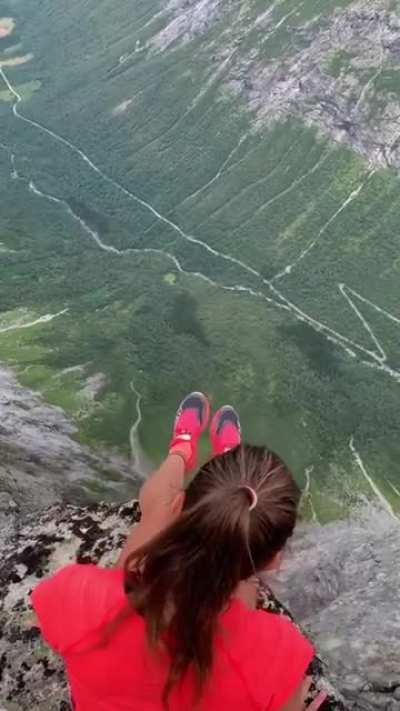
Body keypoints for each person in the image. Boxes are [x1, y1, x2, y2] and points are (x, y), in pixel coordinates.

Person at [31, 392, 326, 711]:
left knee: (137, 553)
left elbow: (51, 611)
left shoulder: (78, 598)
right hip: (245, 637)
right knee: (233, 575)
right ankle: (228, 488)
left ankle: (182, 448)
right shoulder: (278, 653)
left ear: (180, 508)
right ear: (273, 559)